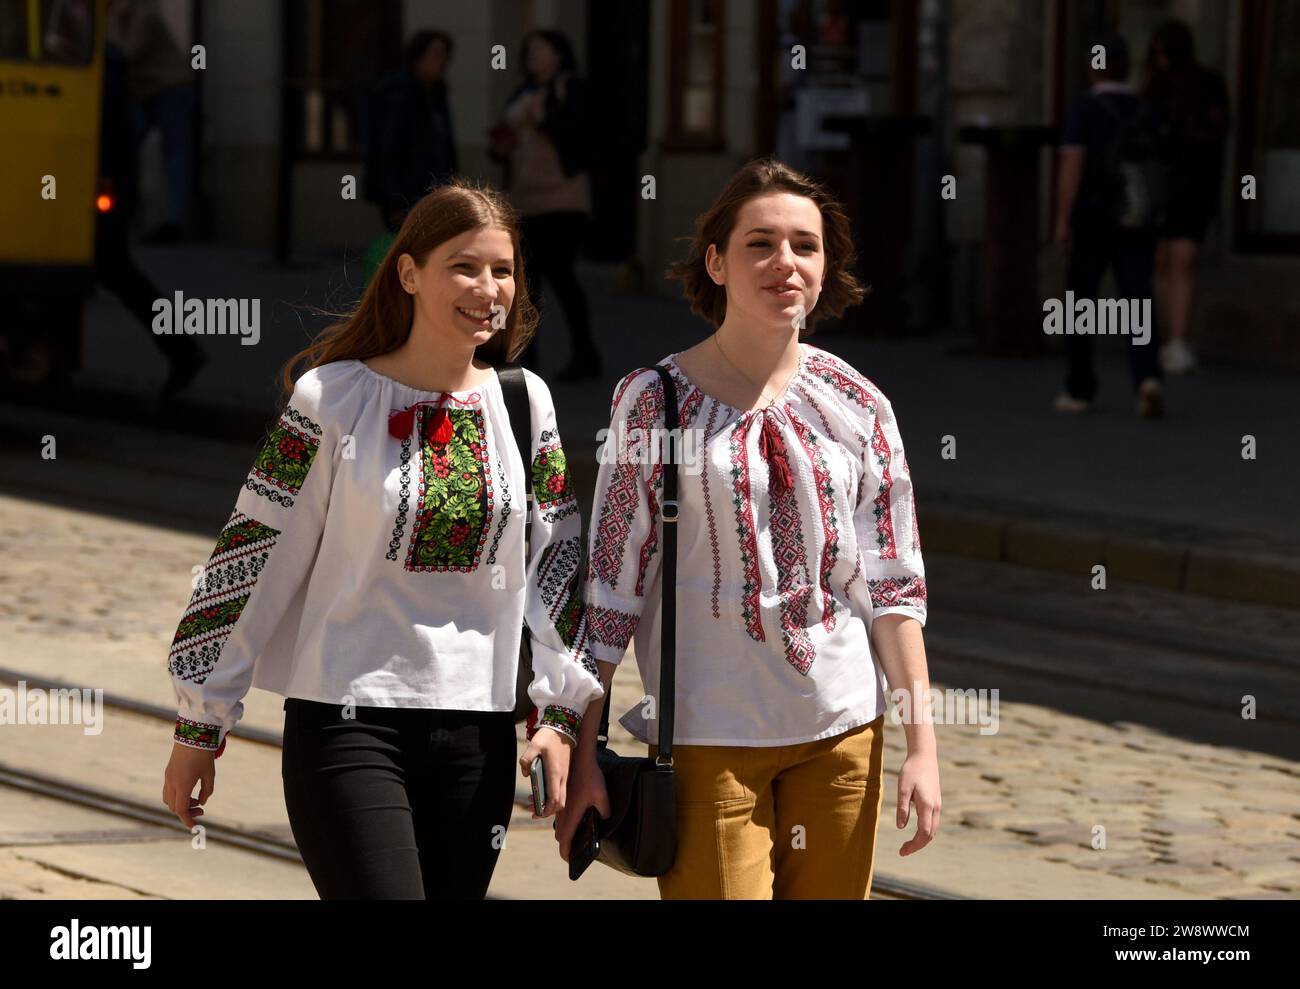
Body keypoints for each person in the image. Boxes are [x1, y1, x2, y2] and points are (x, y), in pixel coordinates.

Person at [161, 180, 604, 899]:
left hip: (478, 735)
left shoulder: (526, 404)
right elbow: (251, 558)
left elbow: (557, 568)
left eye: (504, 269)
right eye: (465, 266)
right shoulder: (329, 399)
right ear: (409, 273)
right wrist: (198, 723)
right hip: (346, 725)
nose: (489, 288)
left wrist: (557, 716)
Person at [556, 158, 941, 899]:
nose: (784, 263)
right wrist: (584, 751)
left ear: (826, 268)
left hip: (843, 733)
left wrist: (922, 745)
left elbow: (894, 587)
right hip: (707, 740)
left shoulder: (857, 403)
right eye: (760, 243)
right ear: (717, 262)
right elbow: (609, 591)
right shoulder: (653, 402)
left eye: (805, 244)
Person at [1053, 30, 1165, 418]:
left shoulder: (1084, 111)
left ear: (1091, 69)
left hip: (1092, 216)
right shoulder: (1145, 109)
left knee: (1080, 302)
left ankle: (1080, 387)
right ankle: (1148, 377)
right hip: (1137, 215)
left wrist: (1062, 219)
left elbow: (1072, 166)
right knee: (1139, 298)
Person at [492, 30, 600, 382]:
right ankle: (524, 359)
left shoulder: (570, 88)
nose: (533, 55)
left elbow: (584, 136)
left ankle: (585, 355)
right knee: (527, 282)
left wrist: (544, 121)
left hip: (563, 198)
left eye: (541, 49)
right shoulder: (522, 91)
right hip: (524, 198)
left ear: (559, 54)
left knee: (561, 276)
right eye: (529, 49)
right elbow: (503, 142)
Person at [1144, 19, 1229, 376]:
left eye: (1166, 51)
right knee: (1163, 259)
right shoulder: (1154, 89)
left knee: (1183, 258)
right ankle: (1168, 339)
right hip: (1162, 185)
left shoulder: (1208, 85)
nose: (1161, 59)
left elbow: (1218, 131)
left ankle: (1177, 339)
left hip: (1193, 184)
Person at [107, 0, 196, 242]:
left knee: (175, 154)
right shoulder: (115, 18)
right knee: (127, 149)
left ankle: (174, 222)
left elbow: (128, 53)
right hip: (143, 91)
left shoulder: (143, 14)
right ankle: (130, 215)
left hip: (170, 86)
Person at [366, 30, 459, 233]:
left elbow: (444, 147)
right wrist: (394, 201)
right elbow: (385, 149)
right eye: (435, 54)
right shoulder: (398, 91)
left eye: (444, 56)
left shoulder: (437, 93)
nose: (441, 62)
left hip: (436, 191)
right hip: (408, 193)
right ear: (419, 55)